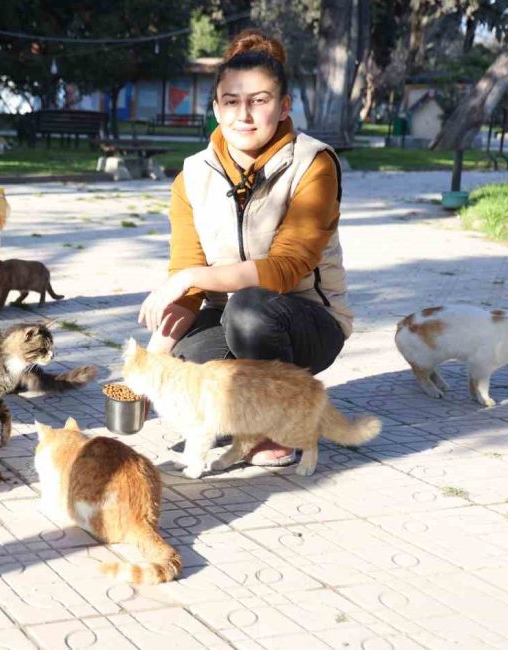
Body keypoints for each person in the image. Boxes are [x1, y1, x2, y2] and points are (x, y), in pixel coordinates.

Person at [137, 30, 353, 468]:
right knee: (187, 357)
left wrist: (191, 277)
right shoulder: (192, 176)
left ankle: (275, 427)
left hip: (305, 321)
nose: (245, 115)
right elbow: (188, 279)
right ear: (216, 107)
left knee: (251, 312)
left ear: (284, 105)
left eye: (260, 100)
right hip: (234, 315)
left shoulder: (314, 163)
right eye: (231, 101)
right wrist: (148, 368)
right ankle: (242, 414)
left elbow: (288, 267)